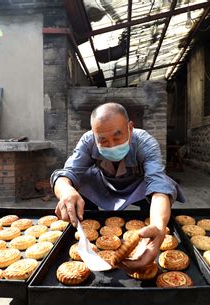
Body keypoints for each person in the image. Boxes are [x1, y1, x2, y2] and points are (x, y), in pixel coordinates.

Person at [50, 102, 185, 270]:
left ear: (130, 128)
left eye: (117, 136)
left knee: (160, 186)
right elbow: (66, 173)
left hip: (138, 186)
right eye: (103, 140)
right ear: (94, 134)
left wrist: (158, 226)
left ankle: (148, 230)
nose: (112, 145)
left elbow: (158, 184)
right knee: (80, 180)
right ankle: (87, 225)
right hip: (104, 184)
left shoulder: (145, 142)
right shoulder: (88, 141)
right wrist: (66, 190)